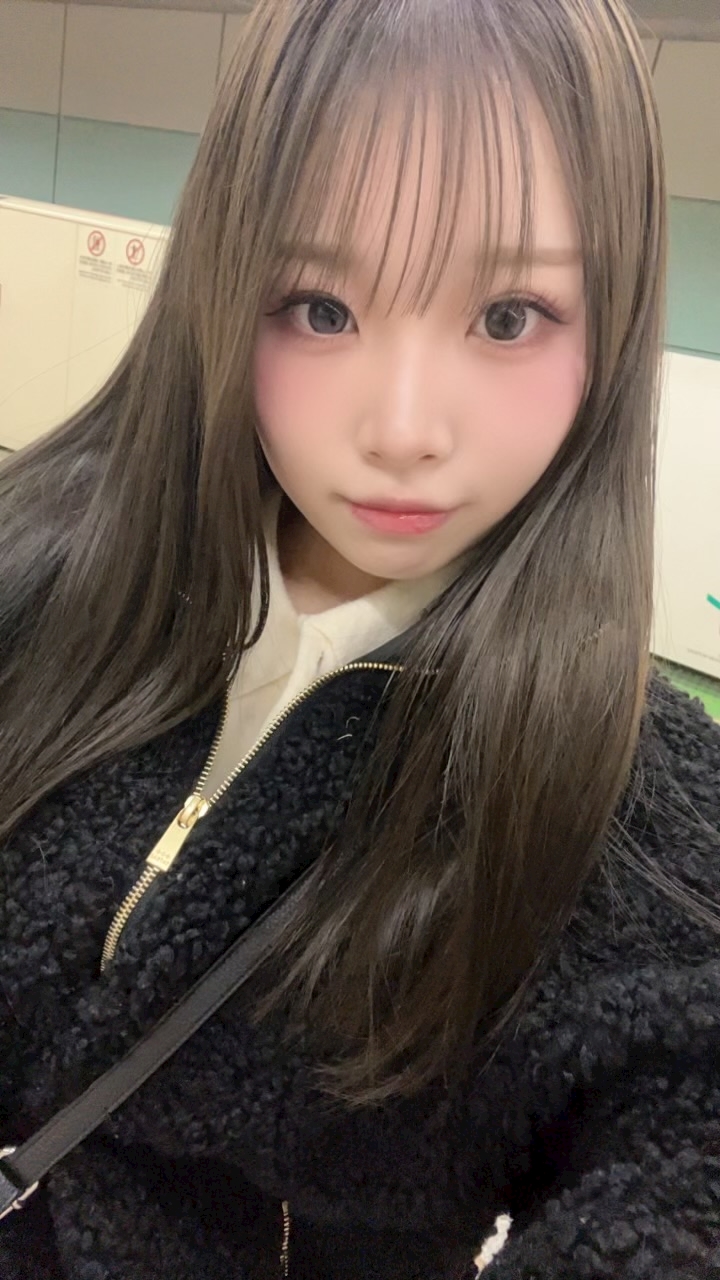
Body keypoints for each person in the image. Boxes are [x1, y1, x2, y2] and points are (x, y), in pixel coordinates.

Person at [0, 0, 718, 1275]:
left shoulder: (632, 808)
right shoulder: (41, 570)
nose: (402, 428)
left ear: (609, 326)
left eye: (509, 316)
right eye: (321, 307)